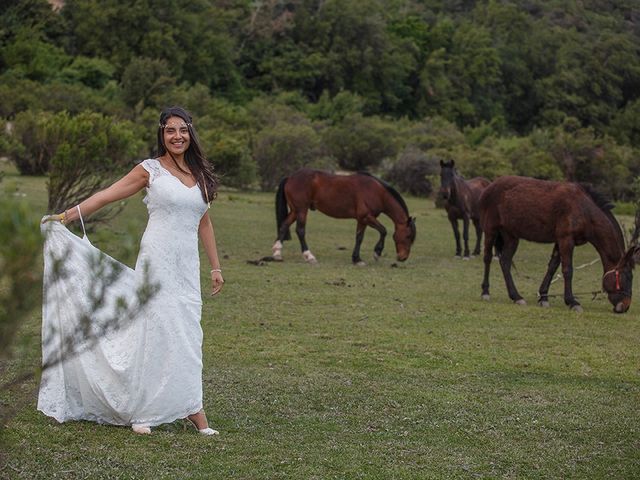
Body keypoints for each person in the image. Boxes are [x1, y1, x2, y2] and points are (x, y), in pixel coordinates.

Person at [39, 106, 224, 436]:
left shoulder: (200, 177)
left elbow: (204, 222)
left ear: (191, 133)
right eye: (170, 130)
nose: (177, 136)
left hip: (186, 266)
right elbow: (108, 194)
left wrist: (215, 267)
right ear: (162, 134)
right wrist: (66, 216)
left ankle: (192, 407)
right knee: (156, 328)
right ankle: (145, 407)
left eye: (182, 130)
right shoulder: (149, 170)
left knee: (188, 331)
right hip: (157, 259)